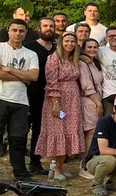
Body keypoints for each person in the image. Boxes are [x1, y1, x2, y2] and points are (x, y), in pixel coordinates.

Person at [0, 19, 39, 182]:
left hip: (20, 100)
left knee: (18, 138)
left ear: (26, 33)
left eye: (21, 31)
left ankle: (20, 173)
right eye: (14, 30)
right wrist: (22, 76)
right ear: (8, 31)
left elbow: (34, 76)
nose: (18, 33)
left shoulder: (30, 54)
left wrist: (10, 69)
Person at [35, 31, 83, 180]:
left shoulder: (74, 59)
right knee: (57, 131)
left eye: (72, 41)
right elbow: (52, 82)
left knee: (68, 131)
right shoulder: (54, 58)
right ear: (61, 43)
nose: (70, 44)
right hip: (57, 98)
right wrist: (55, 103)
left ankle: (61, 168)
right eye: (66, 41)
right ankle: (55, 170)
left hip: (72, 100)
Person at [23, 17, 55, 175]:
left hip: (51, 95)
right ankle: (20, 164)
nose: (49, 28)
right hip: (30, 94)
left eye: (51, 26)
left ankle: (35, 162)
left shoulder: (57, 48)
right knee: (23, 129)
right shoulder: (29, 47)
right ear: (38, 28)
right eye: (45, 26)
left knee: (39, 129)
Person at [77, 38, 105, 176]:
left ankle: (91, 163)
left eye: (95, 47)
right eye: (89, 47)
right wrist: (98, 103)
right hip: (89, 101)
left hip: (95, 100)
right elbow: (86, 86)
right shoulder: (82, 64)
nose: (92, 50)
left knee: (93, 132)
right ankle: (85, 165)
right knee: (90, 132)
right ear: (83, 49)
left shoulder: (94, 63)